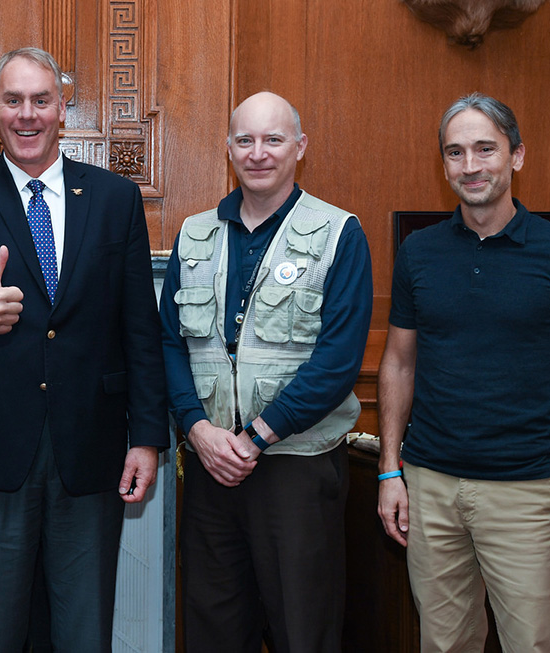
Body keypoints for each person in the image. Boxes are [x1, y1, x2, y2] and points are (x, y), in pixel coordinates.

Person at [0, 47, 167, 651]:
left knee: (84, 631)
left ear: (62, 109)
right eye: (13, 100)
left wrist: (146, 437)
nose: (27, 114)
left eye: (41, 100)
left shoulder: (115, 199)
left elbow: (140, 328)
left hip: (90, 448)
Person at [376, 93, 550, 653]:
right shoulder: (419, 253)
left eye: (486, 149)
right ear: (444, 165)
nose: (471, 165)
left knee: (536, 645)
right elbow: (398, 363)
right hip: (430, 489)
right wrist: (390, 470)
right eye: (455, 152)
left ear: (517, 156)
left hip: (527, 493)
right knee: (443, 645)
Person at [160, 91, 373, 652]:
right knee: (212, 628)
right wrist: (196, 429)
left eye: (273, 139)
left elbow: (338, 360)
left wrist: (256, 437)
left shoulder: (339, 233)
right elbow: (168, 343)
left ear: (299, 148)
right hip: (210, 464)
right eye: (246, 140)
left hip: (295, 468)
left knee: (303, 630)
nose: (259, 153)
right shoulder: (195, 233)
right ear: (228, 148)